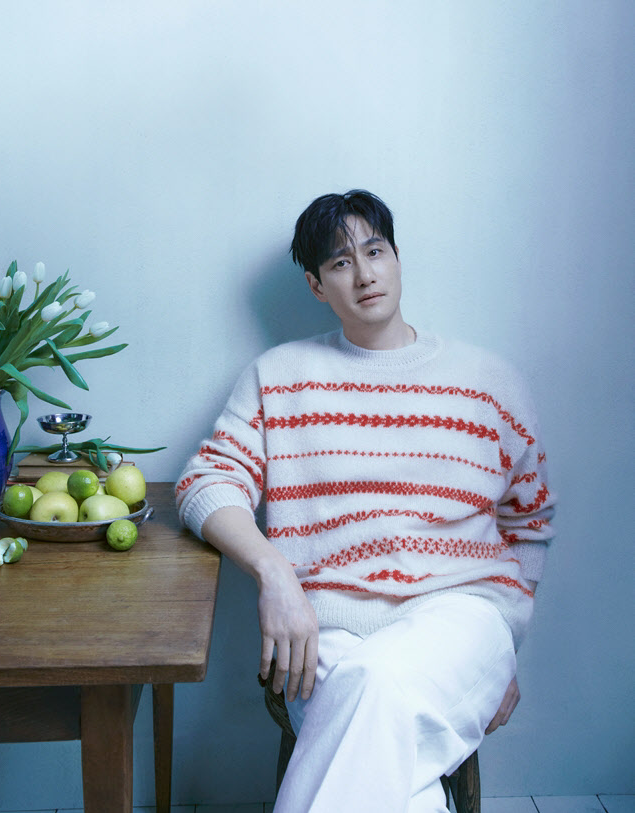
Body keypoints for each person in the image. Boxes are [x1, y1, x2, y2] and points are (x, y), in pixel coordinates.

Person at [176, 190, 555, 812]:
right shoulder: (280, 375)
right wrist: (274, 573)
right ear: (317, 285)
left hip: (462, 615)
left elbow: (529, 517)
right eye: (341, 262)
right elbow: (206, 482)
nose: (365, 274)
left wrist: (498, 650)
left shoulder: (487, 381)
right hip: (325, 628)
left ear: (397, 258)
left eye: (375, 252)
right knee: (379, 719)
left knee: (374, 687)